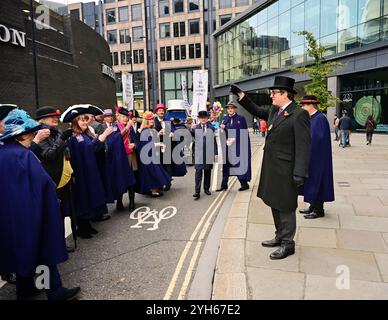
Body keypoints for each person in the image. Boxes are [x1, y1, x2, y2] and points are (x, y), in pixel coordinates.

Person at [0, 108, 80, 300]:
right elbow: (43, 184)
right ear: (23, 134)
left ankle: (25, 290)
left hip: (10, 216)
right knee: (45, 251)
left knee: (22, 253)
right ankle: (55, 292)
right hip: (32, 212)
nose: (34, 135)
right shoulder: (24, 155)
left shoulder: (3, 153)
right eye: (31, 132)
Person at [230, 76, 310, 260]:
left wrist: (299, 173)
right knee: (274, 202)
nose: (271, 96)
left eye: (274, 93)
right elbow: (256, 110)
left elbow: (304, 147)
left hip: (287, 170)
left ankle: (288, 244)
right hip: (272, 168)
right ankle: (279, 235)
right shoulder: (276, 110)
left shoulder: (299, 114)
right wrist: (241, 95)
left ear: (285, 94)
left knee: (286, 207)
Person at [61, 105, 114, 239]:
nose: (85, 122)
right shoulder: (74, 137)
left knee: (90, 196)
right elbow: (90, 149)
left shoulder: (84, 135)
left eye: (86, 120)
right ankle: (82, 227)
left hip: (90, 171)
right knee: (83, 198)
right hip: (81, 173)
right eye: (82, 120)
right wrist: (102, 136)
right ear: (75, 123)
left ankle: (87, 224)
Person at [33, 106, 78, 251]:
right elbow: (48, 156)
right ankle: (56, 245)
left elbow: (64, 153)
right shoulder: (40, 134)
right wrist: (62, 139)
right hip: (53, 180)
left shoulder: (56, 132)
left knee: (66, 212)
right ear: (41, 120)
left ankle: (61, 242)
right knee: (55, 215)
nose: (55, 119)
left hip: (64, 178)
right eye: (51, 116)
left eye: (56, 116)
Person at [298, 96, 335, 219]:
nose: (302, 107)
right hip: (311, 157)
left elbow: (316, 140)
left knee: (317, 182)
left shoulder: (319, 119)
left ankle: (319, 210)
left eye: (303, 105)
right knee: (311, 183)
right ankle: (312, 206)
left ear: (310, 105)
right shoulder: (312, 118)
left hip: (317, 159)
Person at [217, 101, 252, 192]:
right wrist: (222, 130)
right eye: (228, 108)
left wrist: (235, 139)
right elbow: (222, 133)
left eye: (232, 108)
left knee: (238, 166)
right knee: (226, 166)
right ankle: (224, 185)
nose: (230, 110)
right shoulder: (224, 119)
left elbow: (244, 133)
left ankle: (244, 184)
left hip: (237, 147)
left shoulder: (241, 118)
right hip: (227, 147)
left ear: (235, 109)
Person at [135, 111, 172, 197]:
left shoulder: (151, 130)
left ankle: (155, 189)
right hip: (147, 155)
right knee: (152, 172)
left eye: (152, 118)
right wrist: (159, 144)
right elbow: (146, 144)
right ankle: (153, 190)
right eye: (149, 119)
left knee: (155, 171)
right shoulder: (144, 130)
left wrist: (159, 135)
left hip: (153, 154)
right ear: (146, 121)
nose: (152, 120)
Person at [113, 107, 137, 211]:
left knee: (131, 180)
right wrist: (126, 128)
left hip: (130, 155)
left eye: (126, 117)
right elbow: (115, 138)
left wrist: (134, 144)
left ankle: (132, 202)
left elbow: (136, 139)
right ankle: (119, 202)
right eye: (123, 116)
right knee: (120, 178)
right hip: (119, 156)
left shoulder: (131, 127)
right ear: (118, 117)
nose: (125, 119)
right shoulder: (115, 127)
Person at [191, 111, 216, 200]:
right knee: (198, 172)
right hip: (199, 155)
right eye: (201, 117)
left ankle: (206, 189)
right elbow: (191, 136)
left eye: (205, 117)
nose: (203, 119)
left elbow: (214, 141)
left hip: (208, 154)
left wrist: (215, 153)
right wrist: (191, 129)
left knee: (207, 172)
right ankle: (197, 191)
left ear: (207, 118)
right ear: (199, 119)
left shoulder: (211, 128)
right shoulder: (195, 128)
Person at [154, 103, 173, 191]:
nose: (161, 112)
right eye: (159, 111)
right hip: (157, 146)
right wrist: (158, 133)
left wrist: (172, 133)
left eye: (162, 111)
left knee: (168, 165)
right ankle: (160, 183)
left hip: (167, 145)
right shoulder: (153, 121)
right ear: (156, 112)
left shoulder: (168, 120)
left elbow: (173, 130)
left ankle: (168, 182)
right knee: (159, 165)